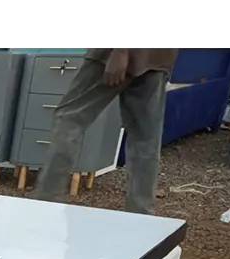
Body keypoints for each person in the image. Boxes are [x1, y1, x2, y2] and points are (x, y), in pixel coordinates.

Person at [34, 48, 179, 215]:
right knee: (145, 139)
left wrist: (120, 51)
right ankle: (141, 217)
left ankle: (46, 205)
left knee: (69, 118)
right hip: (158, 56)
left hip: (117, 53)